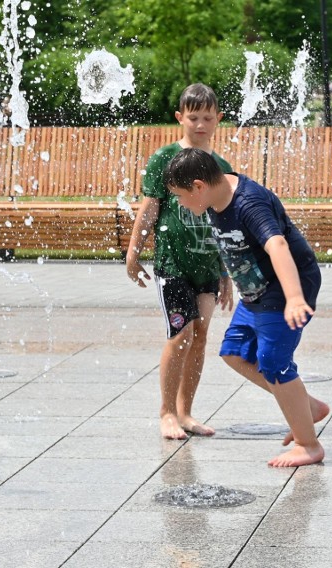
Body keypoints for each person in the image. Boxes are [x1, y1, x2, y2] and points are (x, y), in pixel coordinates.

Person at [163, 147, 329, 467]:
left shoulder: (249, 203)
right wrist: (227, 277)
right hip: (256, 291)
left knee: (272, 360)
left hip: (286, 286)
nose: (180, 204)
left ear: (198, 186)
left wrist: (294, 298)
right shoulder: (214, 197)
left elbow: (277, 245)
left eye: (181, 196)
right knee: (234, 353)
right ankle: (306, 407)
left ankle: (308, 444)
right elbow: (230, 243)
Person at [125, 84, 234, 440]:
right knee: (181, 333)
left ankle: (186, 413)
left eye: (207, 117)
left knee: (200, 335)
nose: (200, 124)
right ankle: (166, 412)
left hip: (207, 266)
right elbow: (150, 207)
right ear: (180, 118)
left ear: (218, 119)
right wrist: (134, 252)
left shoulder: (221, 167)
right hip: (173, 263)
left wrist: (225, 273)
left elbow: (224, 219)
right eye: (193, 117)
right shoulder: (165, 159)